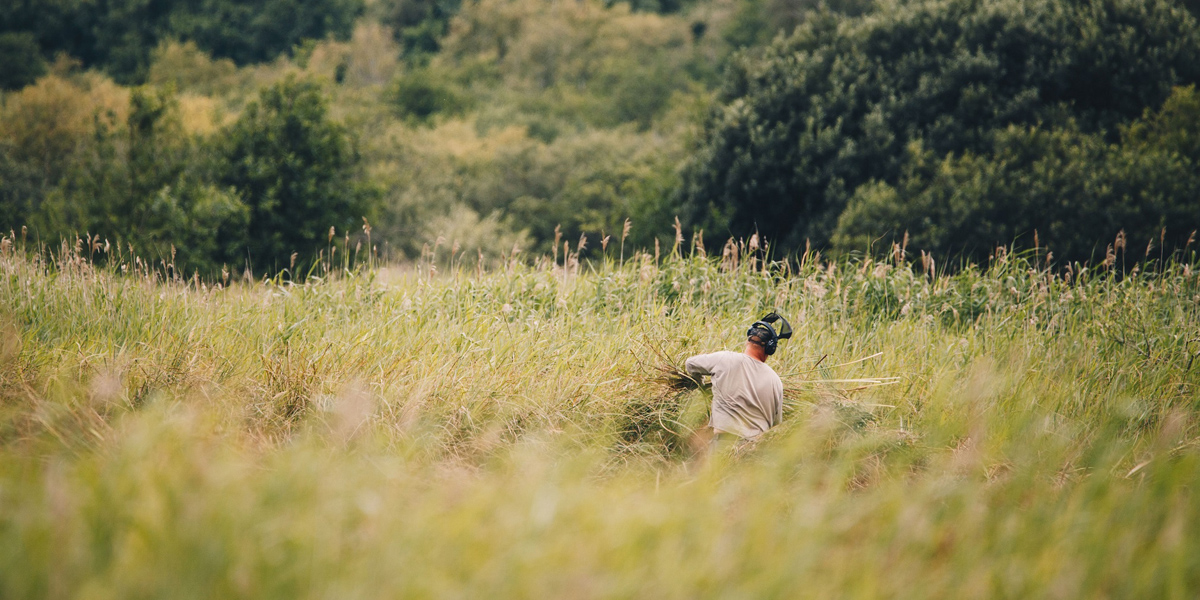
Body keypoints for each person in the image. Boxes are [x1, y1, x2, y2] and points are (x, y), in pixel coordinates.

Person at [685, 313, 790, 449]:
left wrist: (702, 386)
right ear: (771, 348)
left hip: (723, 446)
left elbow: (690, 364)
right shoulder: (776, 381)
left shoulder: (725, 359)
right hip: (755, 452)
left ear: (748, 341)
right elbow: (776, 425)